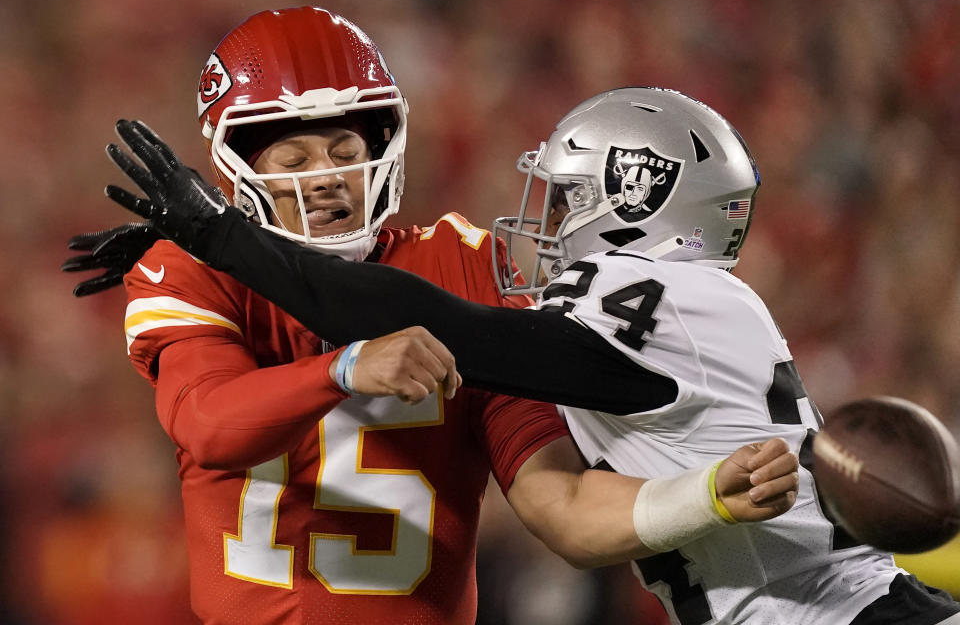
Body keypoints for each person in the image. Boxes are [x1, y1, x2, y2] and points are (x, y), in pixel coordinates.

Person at [85, 85, 960, 625]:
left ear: (634, 194)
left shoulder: (671, 298)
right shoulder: (676, 311)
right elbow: (576, 511)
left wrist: (224, 238)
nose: (542, 216)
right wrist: (705, 498)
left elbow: (448, 326)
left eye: (567, 193)